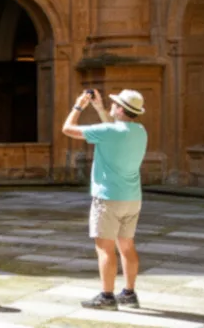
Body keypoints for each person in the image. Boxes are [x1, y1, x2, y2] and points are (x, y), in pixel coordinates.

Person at [62, 89, 148, 311]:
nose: (111, 105)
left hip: (108, 198)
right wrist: (100, 108)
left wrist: (79, 106)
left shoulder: (109, 131)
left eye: (114, 104)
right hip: (132, 198)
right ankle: (129, 294)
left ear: (120, 109)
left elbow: (67, 129)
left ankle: (107, 297)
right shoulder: (139, 131)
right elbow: (113, 130)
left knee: (105, 248)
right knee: (127, 246)